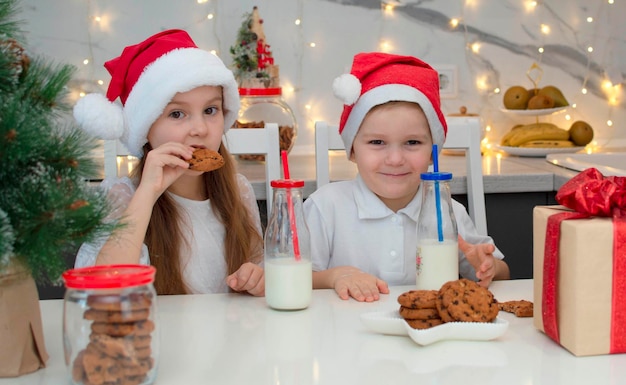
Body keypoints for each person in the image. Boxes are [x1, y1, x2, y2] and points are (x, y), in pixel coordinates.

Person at [304, 52, 510, 302]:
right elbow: (294, 278)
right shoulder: (326, 207)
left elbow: (502, 276)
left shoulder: (446, 211)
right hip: (346, 337)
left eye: (412, 142)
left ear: (433, 152)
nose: (395, 159)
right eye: (377, 142)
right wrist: (335, 276)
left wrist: (489, 267)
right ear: (353, 151)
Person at [73, 29, 264, 296]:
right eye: (177, 113)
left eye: (210, 110)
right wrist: (147, 194)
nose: (199, 129)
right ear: (145, 129)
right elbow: (102, 290)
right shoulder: (122, 198)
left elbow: (258, 267)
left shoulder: (238, 191)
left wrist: (257, 278)